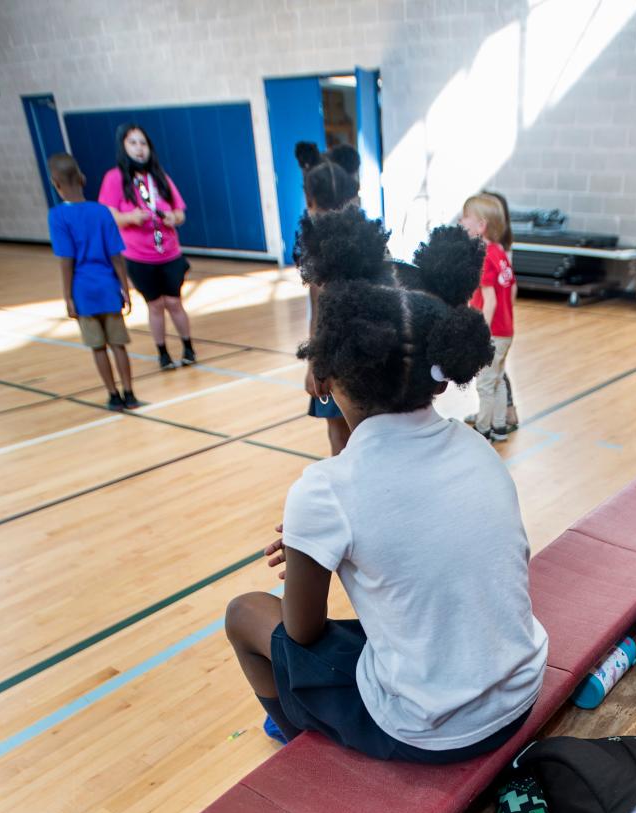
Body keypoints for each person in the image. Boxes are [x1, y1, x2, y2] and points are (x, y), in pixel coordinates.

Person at [224, 206, 548, 760]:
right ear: (442, 374)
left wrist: (315, 549)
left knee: (246, 613)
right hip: (521, 693)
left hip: (431, 731)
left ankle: (300, 737)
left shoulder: (326, 488)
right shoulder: (477, 446)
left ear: (321, 378)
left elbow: (302, 632)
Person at [47, 153, 139, 410]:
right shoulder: (101, 212)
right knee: (118, 344)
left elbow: (66, 261)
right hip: (108, 287)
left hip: (83, 291)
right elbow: (116, 256)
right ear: (82, 179)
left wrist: (67, 296)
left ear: (56, 183)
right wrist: (125, 288)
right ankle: (129, 393)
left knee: (98, 347)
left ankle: (113, 396)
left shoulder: (57, 216)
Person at [98, 123, 195, 370]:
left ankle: (188, 346)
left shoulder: (159, 177)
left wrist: (174, 217)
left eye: (143, 143)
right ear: (123, 147)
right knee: (155, 305)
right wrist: (130, 218)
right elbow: (108, 216)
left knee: (174, 302)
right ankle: (162, 352)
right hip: (139, 256)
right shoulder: (115, 178)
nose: (139, 149)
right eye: (133, 143)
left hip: (169, 253)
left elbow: (179, 211)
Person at [298, 156, 361, 455]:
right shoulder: (368, 236)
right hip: (372, 347)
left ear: (311, 200)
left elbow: (321, 312)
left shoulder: (317, 246)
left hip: (338, 352)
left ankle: (350, 497)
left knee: (339, 433)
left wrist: (316, 364)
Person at [460, 193, 516, 442]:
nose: (462, 222)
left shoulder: (484, 255)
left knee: (485, 384)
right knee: (498, 380)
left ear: (481, 225)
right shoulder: (500, 253)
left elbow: (490, 299)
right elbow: (512, 290)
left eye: (466, 218)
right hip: (506, 330)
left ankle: (483, 431)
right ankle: (500, 426)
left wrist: (482, 331)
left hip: (493, 332)